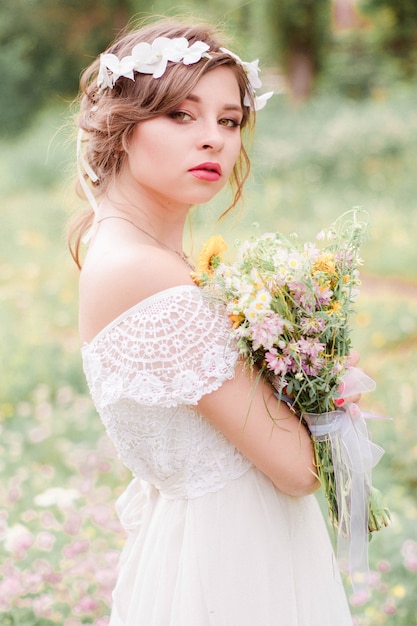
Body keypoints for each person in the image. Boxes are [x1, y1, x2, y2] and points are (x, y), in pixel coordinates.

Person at [69, 17, 361, 625]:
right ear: (122, 127)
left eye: (229, 121)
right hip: (230, 565)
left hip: (204, 548)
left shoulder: (128, 252)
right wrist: (325, 392)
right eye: (181, 114)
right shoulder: (147, 274)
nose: (214, 140)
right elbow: (298, 469)